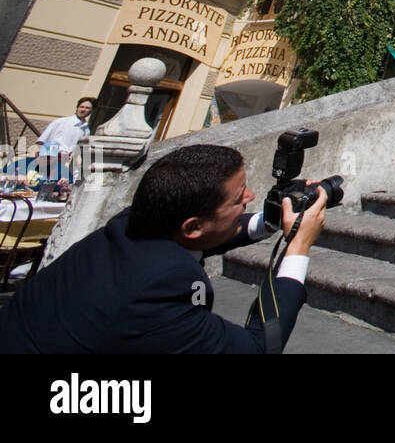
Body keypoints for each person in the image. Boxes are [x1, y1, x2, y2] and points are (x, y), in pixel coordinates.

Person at [0, 143, 328, 353]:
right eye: (238, 197)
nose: (250, 198)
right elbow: (262, 347)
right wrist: (299, 244)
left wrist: (270, 221)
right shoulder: (159, 294)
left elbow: (201, 236)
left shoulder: (130, 224)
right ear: (193, 225)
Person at [34, 97, 95, 181]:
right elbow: (41, 142)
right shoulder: (60, 122)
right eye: (81, 107)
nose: (83, 110)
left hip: (66, 165)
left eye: (87, 108)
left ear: (91, 111)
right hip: (48, 162)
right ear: (77, 107)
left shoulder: (86, 130)